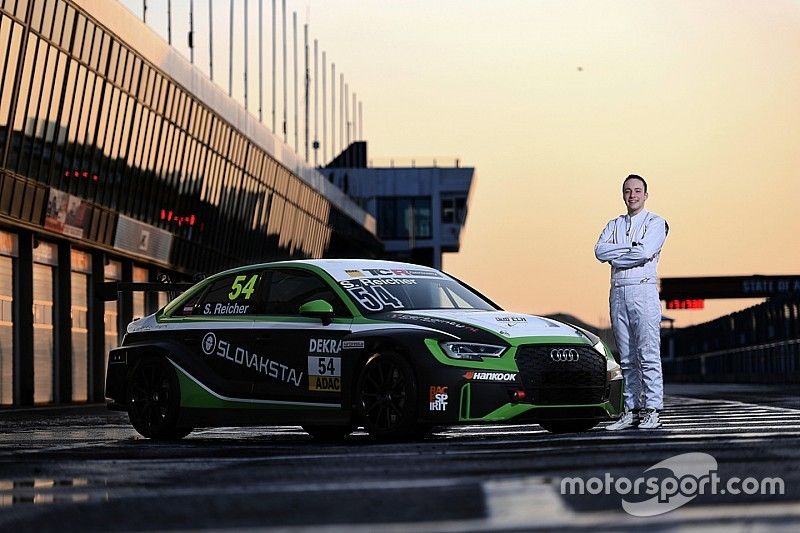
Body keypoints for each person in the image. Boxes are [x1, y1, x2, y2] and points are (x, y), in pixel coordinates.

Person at [594, 174, 669, 430]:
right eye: (628, 191)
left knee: (647, 353)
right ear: (623, 194)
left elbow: (645, 252)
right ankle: (631, 410)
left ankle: (652, 410)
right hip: (618, 292)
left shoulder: (656, 222)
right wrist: (630, 248)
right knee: (626, 358)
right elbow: (599, 251)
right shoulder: (613, 224)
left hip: (643, 291)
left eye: (638, 190)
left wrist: (618, 255)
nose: (633, 195)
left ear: (646, 195)